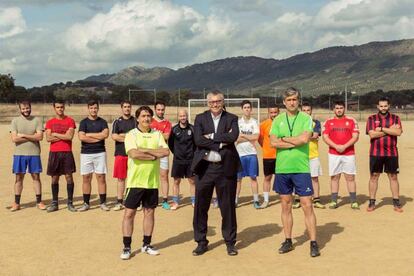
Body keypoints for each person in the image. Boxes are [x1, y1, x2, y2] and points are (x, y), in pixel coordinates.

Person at [270, 87, 320, 257]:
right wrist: (294, 141)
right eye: (289, 100)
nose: (292, 102)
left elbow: (305, 139)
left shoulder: (306, 118)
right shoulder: (278, 120)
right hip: (282, 169)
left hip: (301, 169)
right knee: (286, 205)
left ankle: (313, 242)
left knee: (307, 205)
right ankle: (288, 240)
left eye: (294, 99)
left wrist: (283, 139)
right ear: (284, 102)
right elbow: (273, 142)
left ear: (298, 101)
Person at [191, 90, 241, 256]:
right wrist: (220, 142)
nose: (215, 104)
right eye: (212, 102)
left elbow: (233, 136)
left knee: (227, 207)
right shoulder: (200, 118)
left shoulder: (232, 118)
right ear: (207, 103)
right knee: (200, 207)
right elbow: (198, 139)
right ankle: (201, 241)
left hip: (225, 168)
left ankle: (230, 242)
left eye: (218, 101)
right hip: (204, 168)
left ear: (223, 101)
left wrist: (211, 137)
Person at [120, 106, 169, 260]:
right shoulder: (131, 135)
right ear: (138, 118)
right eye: (143, 116)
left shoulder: (157, 134)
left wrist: (145, 151)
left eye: (149, 116)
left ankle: (146, 244)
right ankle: (127, 247)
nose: (146, 119)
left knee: (149, 213)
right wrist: (154, 155)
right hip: (135, 182)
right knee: (129, 214)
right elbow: (134, 154)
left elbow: (166, 152)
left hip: (152, 182)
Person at [366, 97, 403, 212]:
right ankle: (372, 202)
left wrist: (381, 129)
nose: (383, 108)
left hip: (392, 153)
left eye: (385, 106)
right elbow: (372, 135)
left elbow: (398, 132)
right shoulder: (371, 118)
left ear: (389, 106)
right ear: (378, 107)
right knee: (374, 176)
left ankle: (396, 202)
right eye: (381, 106)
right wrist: (389, 130)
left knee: (393, 177)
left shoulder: (396, 118)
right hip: (375, 153)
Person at [322, 100, 359, 209]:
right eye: (337, 108)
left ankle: (353, 201)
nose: (339, 110)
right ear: (333, 109)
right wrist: (336, 146)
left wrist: (344, 146)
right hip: (334, 153)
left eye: (341, 108)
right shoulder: (328, 122)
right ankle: (334, 201)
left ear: (344, 108)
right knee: (334, 177)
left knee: (350, 177)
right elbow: (325, 137)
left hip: (349, 154)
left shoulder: (351, 120)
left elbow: (355, 136)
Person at [10, 100, 46, 211]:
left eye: (28, 108)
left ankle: (39, 202)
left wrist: (23, 135)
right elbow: (14, 139)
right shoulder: (15, 121)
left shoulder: (37, 120)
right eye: (24, 109)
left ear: (30, 107)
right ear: (20, 109)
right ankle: (16, 203)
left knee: (36, 177)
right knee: (19, 178)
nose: (26, 110)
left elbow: (40, 137)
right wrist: (32, 136)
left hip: (34, 154)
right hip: (19, 154)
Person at [45, 101, 77, 212]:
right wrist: (63, 136)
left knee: (69, 176)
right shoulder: (50, 122)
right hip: (54, 152)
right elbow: (48, 138)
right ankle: (55, 203)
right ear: (54, 108)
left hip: (67, 152)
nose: (60, 109)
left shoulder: (70, 121)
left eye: (62, 107)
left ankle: (70, 203)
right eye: (58, 107)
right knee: (54, 177)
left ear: (64, 108)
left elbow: (69, 137)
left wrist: (55, 134)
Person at [78, 100, 109, 211]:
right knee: (86, 178)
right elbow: (81, 137)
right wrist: (97, 137)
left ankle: (103, 203)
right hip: (86, 153)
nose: (93, 110)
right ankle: (86, 203)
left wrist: (89, 135)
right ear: (88, 108)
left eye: (95, 108)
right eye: (91, 108)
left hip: (100, 153)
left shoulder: (103, 122)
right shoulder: (83, 122)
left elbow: (105, 135)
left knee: (101, 177)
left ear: (98, 108)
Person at [293, 103, 325, 209]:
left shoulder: (316, 123)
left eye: (308, 110)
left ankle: (316, 200)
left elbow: (315, 135)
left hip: (313, 155)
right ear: (301, 111)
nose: (306, 112)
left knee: (314, 178)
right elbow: (295, 137)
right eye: (304, 110)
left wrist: (302, 136)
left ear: (311, 111)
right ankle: (298, 199)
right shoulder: (297, 123)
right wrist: (308, 136)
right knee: (298, 178)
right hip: (299, 155)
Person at [168, 109, 196, 210]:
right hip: (178, 160)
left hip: (190, 160)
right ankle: (175, 202)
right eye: (181, 116)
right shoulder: (174, 129)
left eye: (184, 116)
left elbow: (196, 144)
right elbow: (170, 144)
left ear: (187, 116)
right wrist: (177, 153)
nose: (183, 118)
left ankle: (194, 201)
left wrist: (193, 155)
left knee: (192, 181)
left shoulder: (193, 129)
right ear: (178, 117)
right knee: (176, 181)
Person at [111, 100, 136, 211]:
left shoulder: (135, 121)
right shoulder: (117, 122)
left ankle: (132, 201)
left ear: (131, 108)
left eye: (128, 107)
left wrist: (123, 136)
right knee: (121, 178)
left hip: (133, 154)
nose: (127, 108)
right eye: (125, 107)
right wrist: (128, 137)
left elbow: (137, 136)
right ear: (121, 108)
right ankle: (119, 201)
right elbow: (114, 136)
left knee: (133, 178)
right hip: (120, 153)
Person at [235, 100, 260, 208]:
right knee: (238, 179)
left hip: (251, 154)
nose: (247, 109)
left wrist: (243, 136)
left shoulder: (254, 122)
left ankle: (256, 200)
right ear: (242, 109)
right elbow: (235, 138)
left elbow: (256, 137)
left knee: (253, 178)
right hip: (239, 155)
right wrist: (248, 138)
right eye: (245, 107)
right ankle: (235, 200)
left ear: (251, 109)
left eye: (249, 107)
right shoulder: (237, 123)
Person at [150, 101, 172, 210]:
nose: (160, 111)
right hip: (150, 153)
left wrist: (153, 134)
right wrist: (159, 135)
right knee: (150, 176)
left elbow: (167, 136)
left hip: (163, 152)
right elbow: (145, 135)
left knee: (164, 176)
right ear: (155, 109)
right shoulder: (149, 120)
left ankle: (164, 200)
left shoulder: (167, 123)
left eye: (162, 109)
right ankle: (150, 200)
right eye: (158, 109)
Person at [258, 105, 279, 209]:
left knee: (284, 177)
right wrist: (266, 147)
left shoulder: (282, 123)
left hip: (281, 155)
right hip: (268, 156)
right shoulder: (263, 125)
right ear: (268, 113)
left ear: (278, 112)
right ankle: (266, 200)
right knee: (267, 177)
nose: (273, 114)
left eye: (275, 112)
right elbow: (260, 139)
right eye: (271, 112)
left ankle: (287, 198)